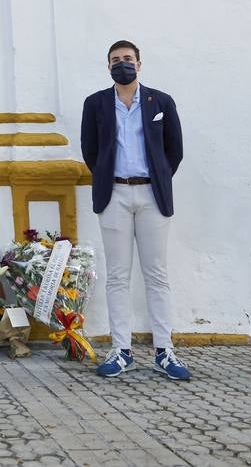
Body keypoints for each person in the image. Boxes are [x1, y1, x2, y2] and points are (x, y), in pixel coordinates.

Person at [80, 40, 190, 381]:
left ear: (139, 64)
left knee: (156, 274)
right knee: (117, 275)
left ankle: (164, 350)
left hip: (151, 196)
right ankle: (121, 350)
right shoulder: (96, 104)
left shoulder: (162, 102)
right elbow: (90, 151)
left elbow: (174, 150)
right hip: (114, 194)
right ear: (108, 66)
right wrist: (110, 180)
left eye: (128, 59)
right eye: (116, 60)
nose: (122, 64)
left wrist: (154, 178)